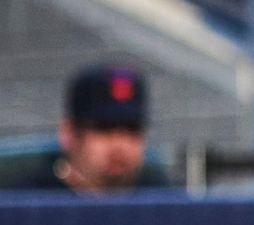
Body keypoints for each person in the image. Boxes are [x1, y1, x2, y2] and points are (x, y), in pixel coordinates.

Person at [8, 65, 166, 193]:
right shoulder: (27, 200)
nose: (120, 145)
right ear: (69, 133)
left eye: (132, 130)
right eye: (104, 129)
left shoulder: (165, 199)